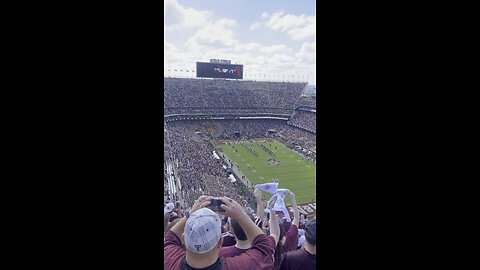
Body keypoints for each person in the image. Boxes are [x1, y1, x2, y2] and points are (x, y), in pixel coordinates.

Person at [164, 195, 278, 270]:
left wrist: (191, 213)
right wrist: (240, 215)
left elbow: (170, 238)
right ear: (220, 242)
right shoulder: (240, 266)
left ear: (183, 239)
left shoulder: (169, 260)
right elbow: (265, 249)